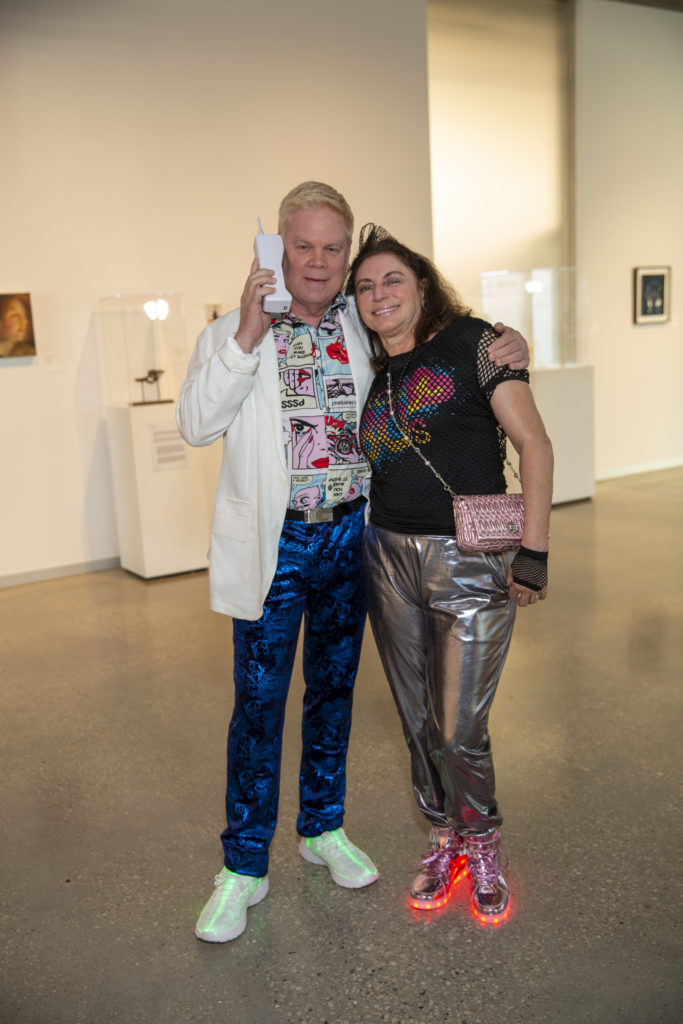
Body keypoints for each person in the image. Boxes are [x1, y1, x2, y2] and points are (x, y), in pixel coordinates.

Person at [176, 183, 530, 943]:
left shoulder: (362, 325)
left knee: (333, 694)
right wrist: (243, 333)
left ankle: (321, 829)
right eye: (302, 245)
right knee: (260, 706)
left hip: (353, 539)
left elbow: (443, 347)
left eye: (333, 247)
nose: (319, 260)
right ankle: (242, 867)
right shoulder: (228, 332)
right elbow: (197, 423)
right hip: (274, 544)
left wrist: (508, 345)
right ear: (275, 248)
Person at [347, 224, 553, 923]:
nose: (379, 294)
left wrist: (534, 550)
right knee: (414, 719)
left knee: (458, 724)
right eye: (366, 286)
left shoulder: (474, 343)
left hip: (469, 557)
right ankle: (443, 835)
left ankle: (482, 836)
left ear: (422, 286)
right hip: (385, 557)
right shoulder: (367, 369)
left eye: (392, 280)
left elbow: (532, 442)